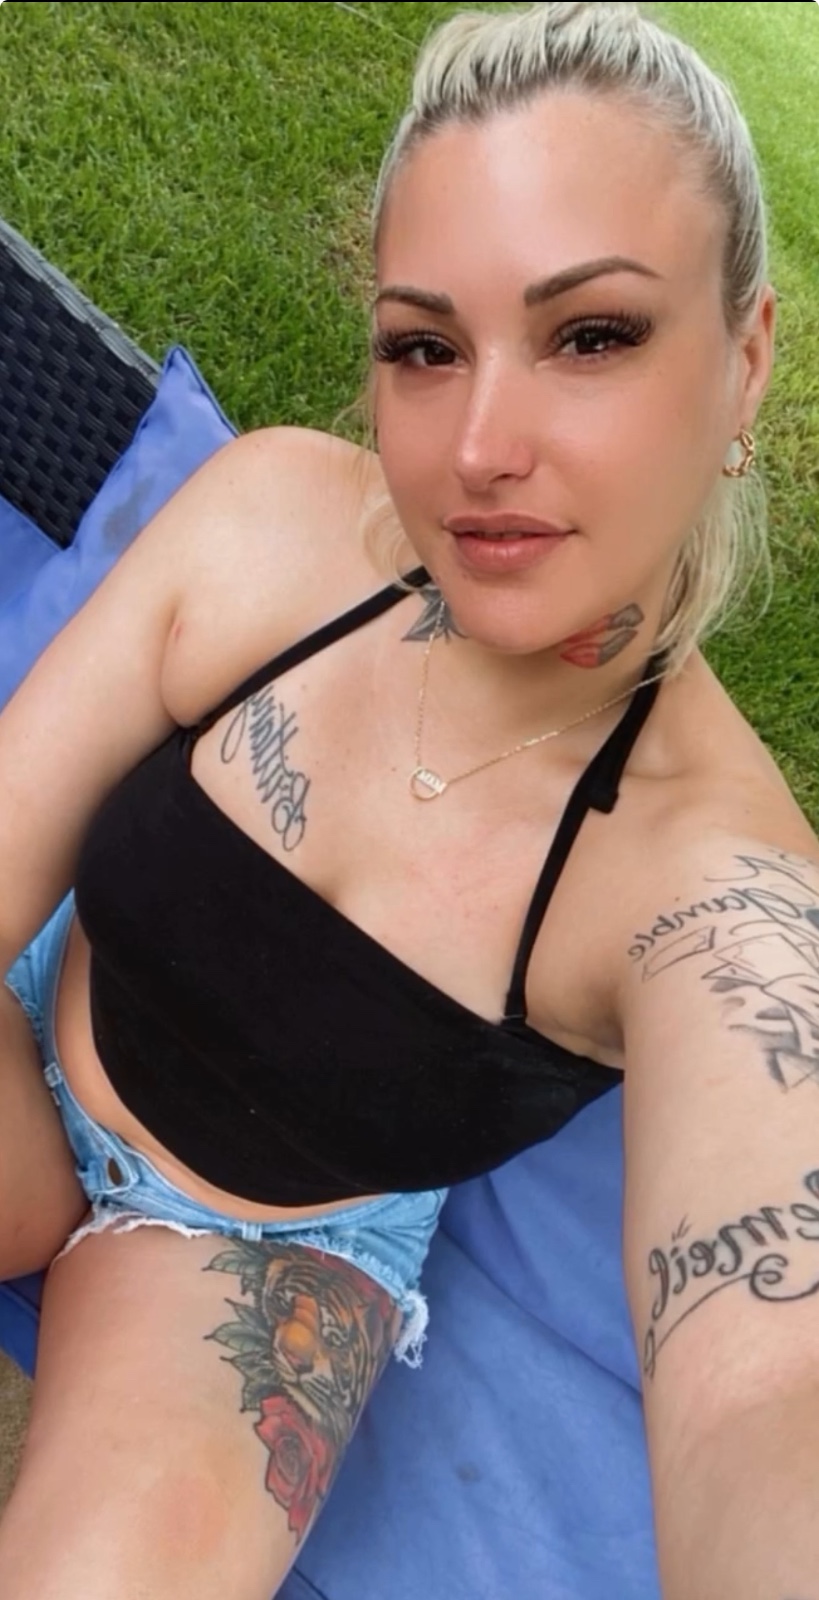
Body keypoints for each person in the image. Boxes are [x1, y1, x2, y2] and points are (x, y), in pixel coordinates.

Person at [0, 0, 816, 1594]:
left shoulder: (712, 885)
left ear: (744, 360)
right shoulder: (278, 529)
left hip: (248, 1264)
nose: (480, 449)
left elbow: (771, 1387)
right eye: (426, 348)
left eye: (592, 335)